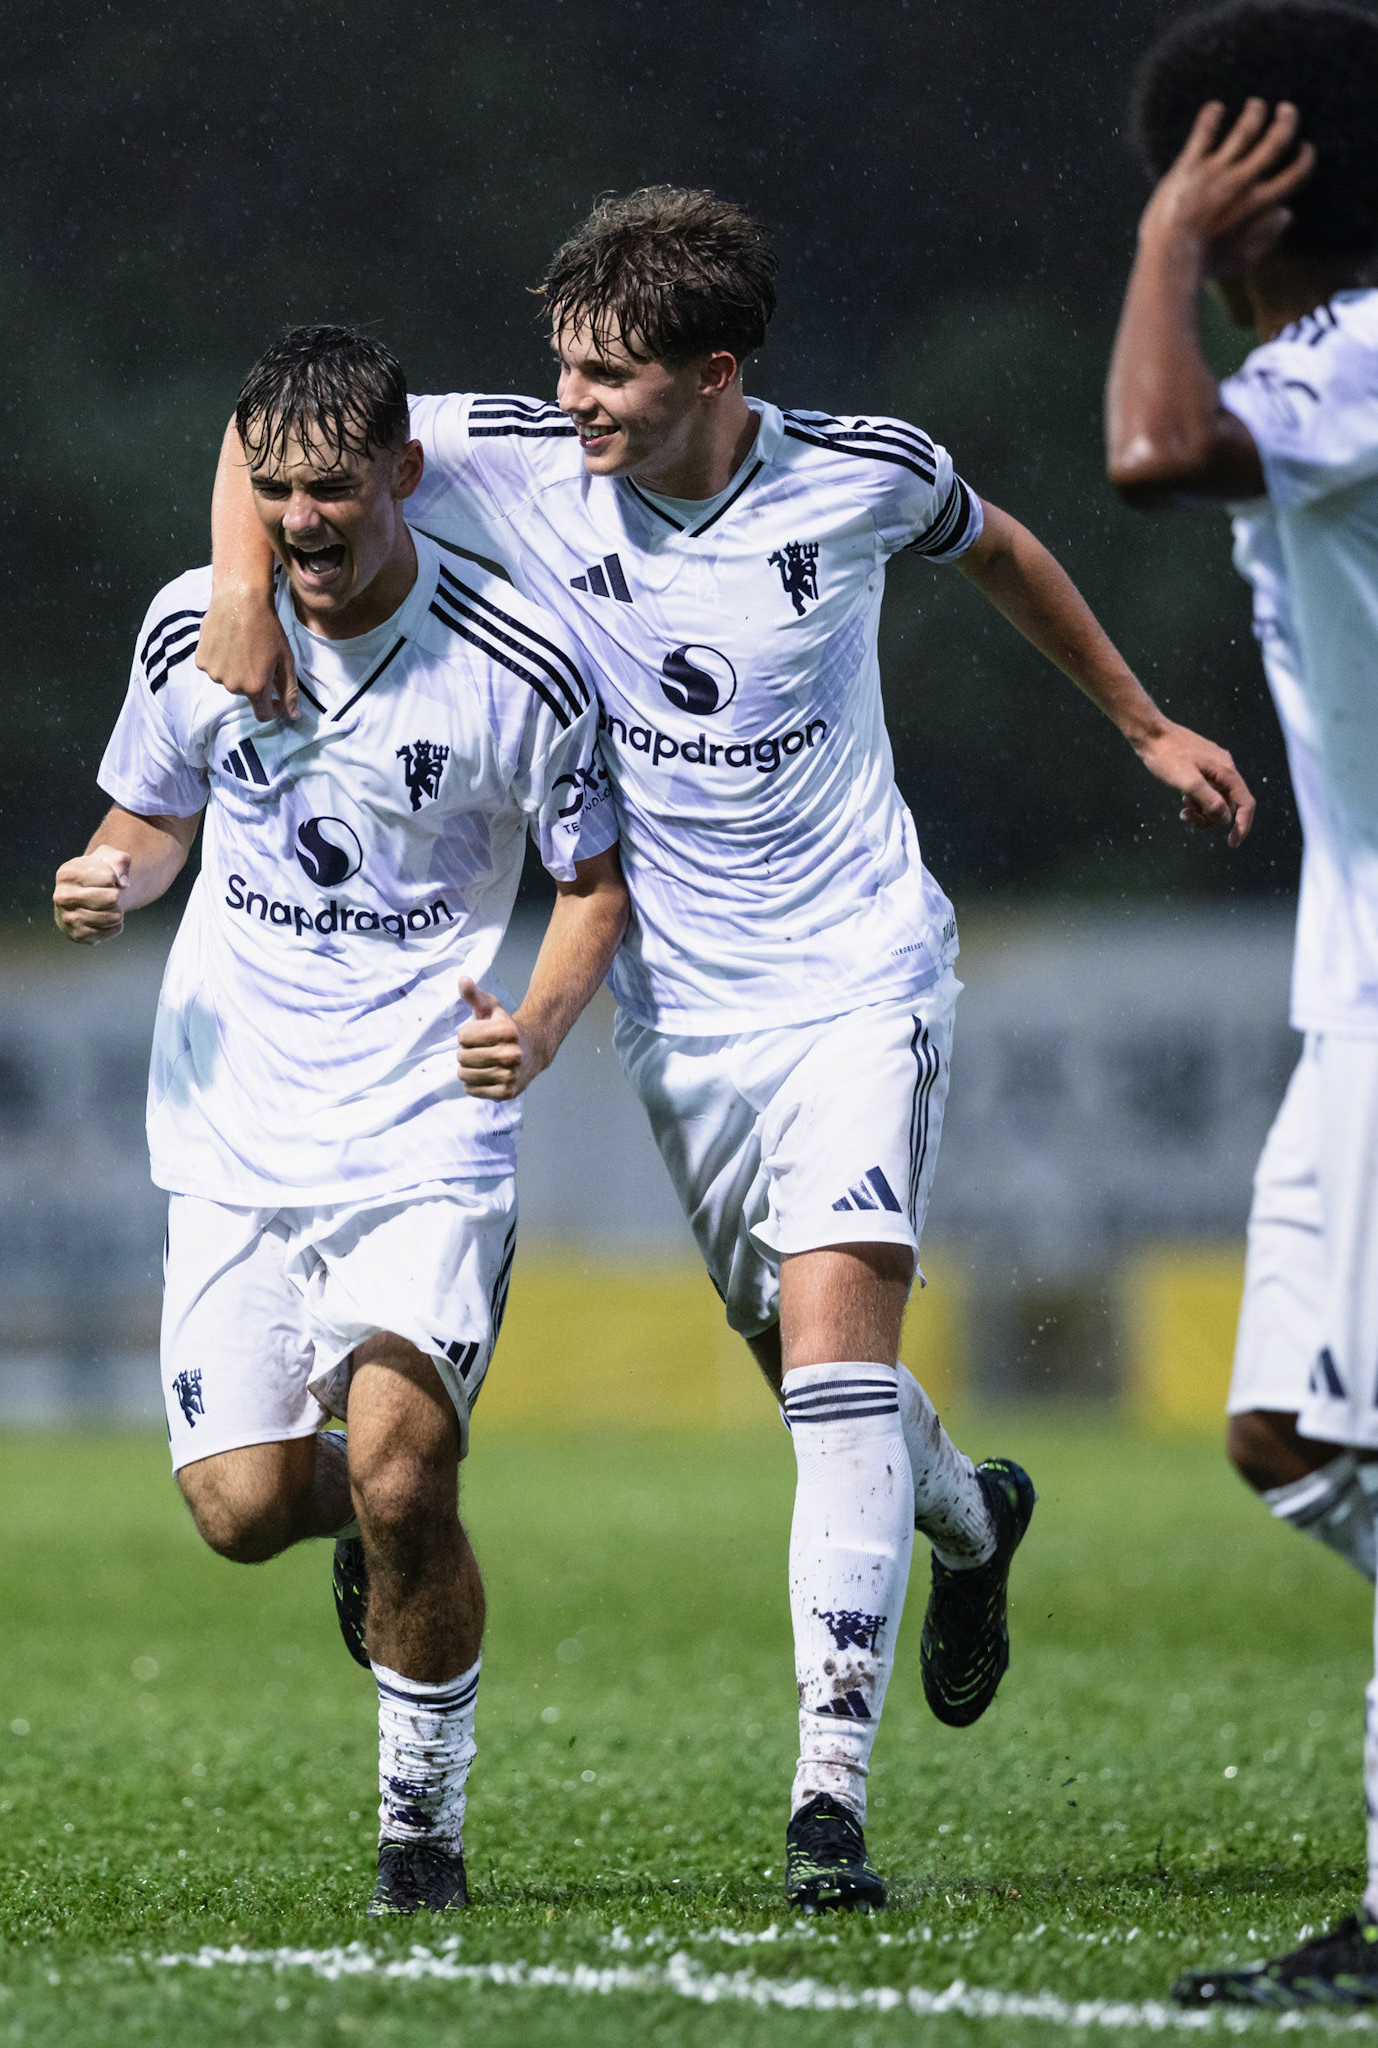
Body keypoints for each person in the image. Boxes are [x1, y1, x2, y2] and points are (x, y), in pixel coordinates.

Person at [198, 192, 1256, 1911]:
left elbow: (996, 547)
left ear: (713, 371)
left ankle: (824, 1803)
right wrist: (246, 591)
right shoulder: (510, 453)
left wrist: (1139, 722)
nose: (572, 403)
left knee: (834, 1364)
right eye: (560, 367)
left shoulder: (858, 474)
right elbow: (281, 430)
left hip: (856, 973)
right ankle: (972, 1517)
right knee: (808, 1376)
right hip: (677, 1011)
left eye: (606, 375)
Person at [52, 325, 627, 1918]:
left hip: (422, 1131)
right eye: (275, 489)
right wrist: (114, 875)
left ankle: (419, 1843)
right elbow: (152, 813)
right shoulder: (193, 627)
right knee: (242, 1509)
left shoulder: (517, 665)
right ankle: (375, 1522)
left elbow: (593, 887)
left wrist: (538, 1026)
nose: (301, 521)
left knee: (399, 1479)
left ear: (404, 477)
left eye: (332, 490)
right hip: (233, 1123)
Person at [1105, 0, 1378, 2009]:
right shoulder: (1326, 364)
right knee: (1291, 1429)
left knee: (1318, 1433)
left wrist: (1161, 255)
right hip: (1346, 989)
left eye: (1194, 163)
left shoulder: (1362, 351)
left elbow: (1146, 452)